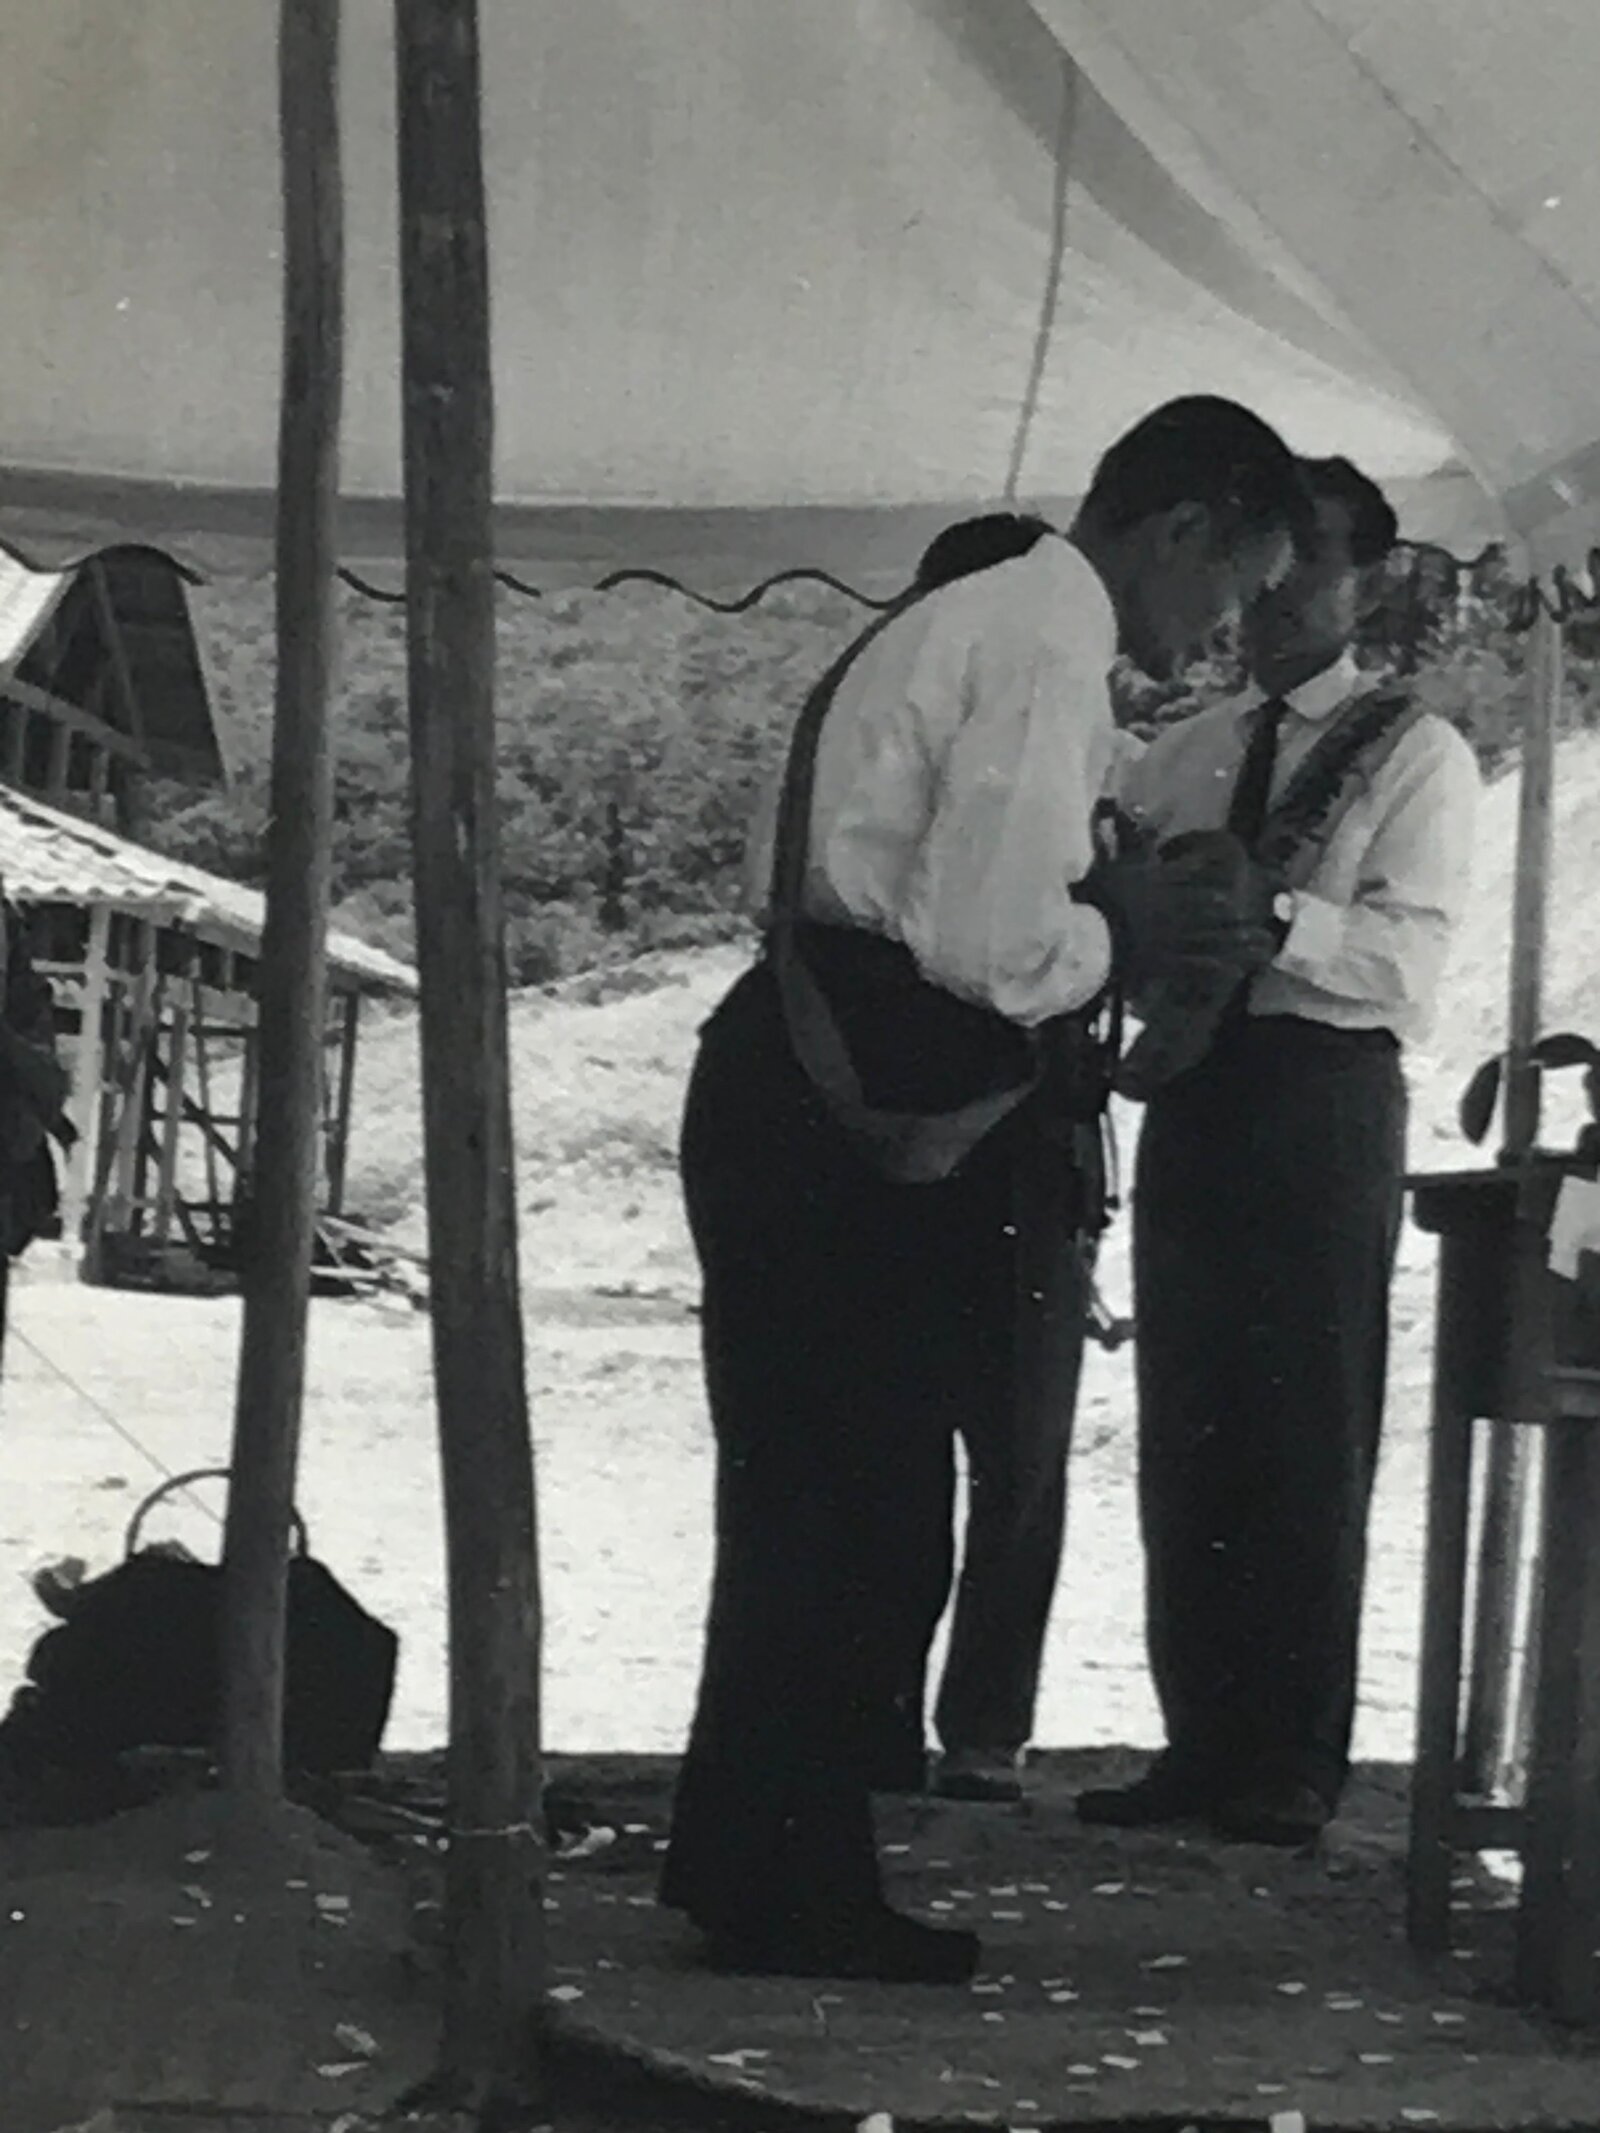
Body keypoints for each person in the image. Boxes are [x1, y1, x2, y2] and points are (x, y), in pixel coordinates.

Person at [660, 397, 1312, 1985]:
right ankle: (789, 1891)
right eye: (1230, 591)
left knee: (811, 1498)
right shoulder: (1039, 643)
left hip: (811, 1063)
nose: (1222, 635)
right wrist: (1125, 938)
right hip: (862, 1078)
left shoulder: (988, 612)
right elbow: (984, 945)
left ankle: (752, 1862)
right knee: (863, 1509)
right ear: (1181, 528)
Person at [1078, 456, 1480, 1848]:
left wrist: (1278, 920)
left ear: (1370, 578)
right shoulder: (1183, 748)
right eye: (1266, 553)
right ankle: (1199, 1740)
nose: (1276, 590)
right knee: (1192, 1420)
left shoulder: (1414, 754)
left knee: (1306, 1419)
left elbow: (1409, 968)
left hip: (1322, 1089)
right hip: (1198, 1088)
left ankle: (1294, 1752)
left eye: (1311, 557)